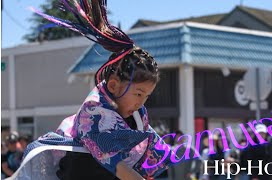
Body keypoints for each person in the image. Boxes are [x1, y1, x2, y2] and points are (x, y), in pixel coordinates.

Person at [10, 1, 176, 179]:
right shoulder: (93, 112)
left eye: (146, 96)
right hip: (77, 169)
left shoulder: (138, 113)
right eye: (138, 94)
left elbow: (152, 146)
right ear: (112, 85)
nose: (141, 101)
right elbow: (116, 165)